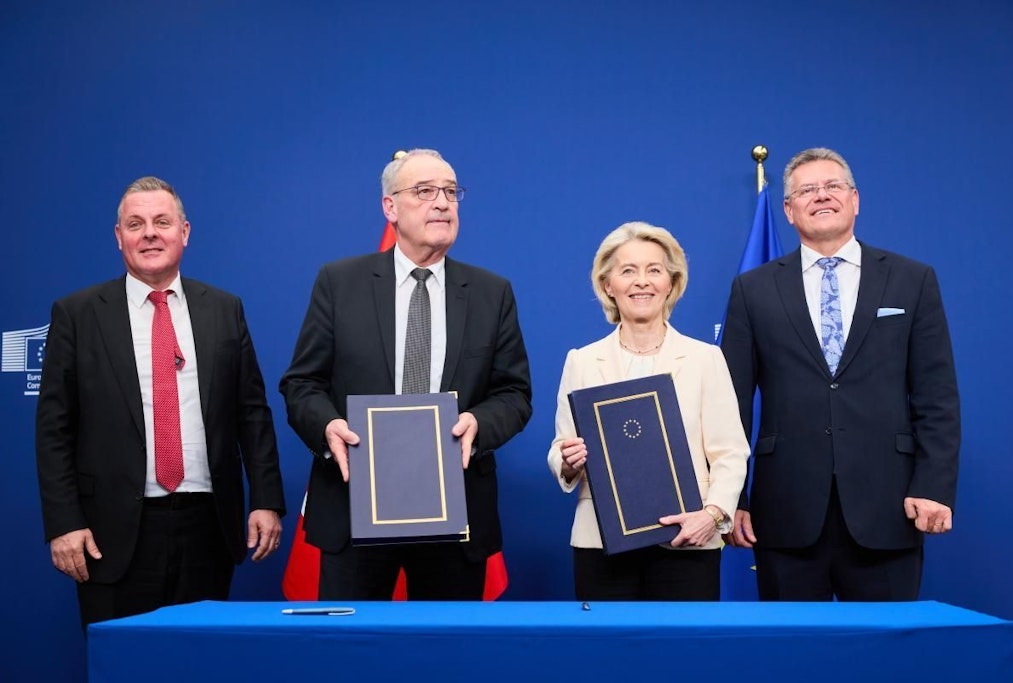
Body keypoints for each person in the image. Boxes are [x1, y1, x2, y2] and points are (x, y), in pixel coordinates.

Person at [279, 148, 532, 600]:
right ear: (389, 207)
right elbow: (302, 384)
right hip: (355, 504)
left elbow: (513, 393)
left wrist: (479, 424)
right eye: (425, 191)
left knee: (446, 662)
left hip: (455, 512)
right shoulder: (340, 283)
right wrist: (328, 426)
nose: (442, 202)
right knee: (353, 661)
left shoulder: (491, 293)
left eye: (451, 192)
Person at [36, 176, 287, 629]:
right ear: (119, 238)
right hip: (109, 535)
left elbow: (252, 413)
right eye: (136, 224)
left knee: (201, 664)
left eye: (162, 222)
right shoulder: (77, 314)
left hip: (207, 526)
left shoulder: (224, 309)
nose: (150, 233)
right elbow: (54, 428)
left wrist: (266, 500)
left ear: (184, 232)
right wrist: (63, 523)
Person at [720, 147, 960, 601]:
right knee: (792, 662)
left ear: (855, 200)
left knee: (886, 663)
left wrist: (934, 486)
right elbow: (729, 402)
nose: (821, 196)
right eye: (807, 190)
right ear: (788, 210)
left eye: (833, 186)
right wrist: (732, 497)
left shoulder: (913, 280)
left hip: (890, 508)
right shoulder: (752, 289)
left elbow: (937, 396)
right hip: (785, 512)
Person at [547, 221, 749, 600]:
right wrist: (568, 460)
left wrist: (713, 515)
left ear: (671, 283)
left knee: (682, 658)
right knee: (607, 657)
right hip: (600, 542)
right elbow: (562, 447)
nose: (642, 282)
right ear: (609, 285)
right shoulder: (582, 361)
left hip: (688, 538)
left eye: (654, 270)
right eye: (628, 271)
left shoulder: (706, 359)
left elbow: (730, 452)